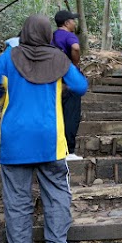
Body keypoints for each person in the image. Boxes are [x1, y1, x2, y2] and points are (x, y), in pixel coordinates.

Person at [0, 15, 88, 243]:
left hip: (15, 142)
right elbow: (81, 86)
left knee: (16, 202)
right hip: (49, 140)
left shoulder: (10, 56)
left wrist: (2, 92)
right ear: (48, 34)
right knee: (57, 194)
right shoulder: (58, 58)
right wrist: (60, 86)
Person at [52, 9, 83, 160]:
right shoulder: (69, 36)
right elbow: (76, 48)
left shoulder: (51, 36)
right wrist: (75, 64)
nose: (74, 23)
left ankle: (56, 149)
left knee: (58, 113)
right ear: (66, 23)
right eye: (73, 20)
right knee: (71, 114)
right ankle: (68, 151)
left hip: (53, 78)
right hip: (68, 78)